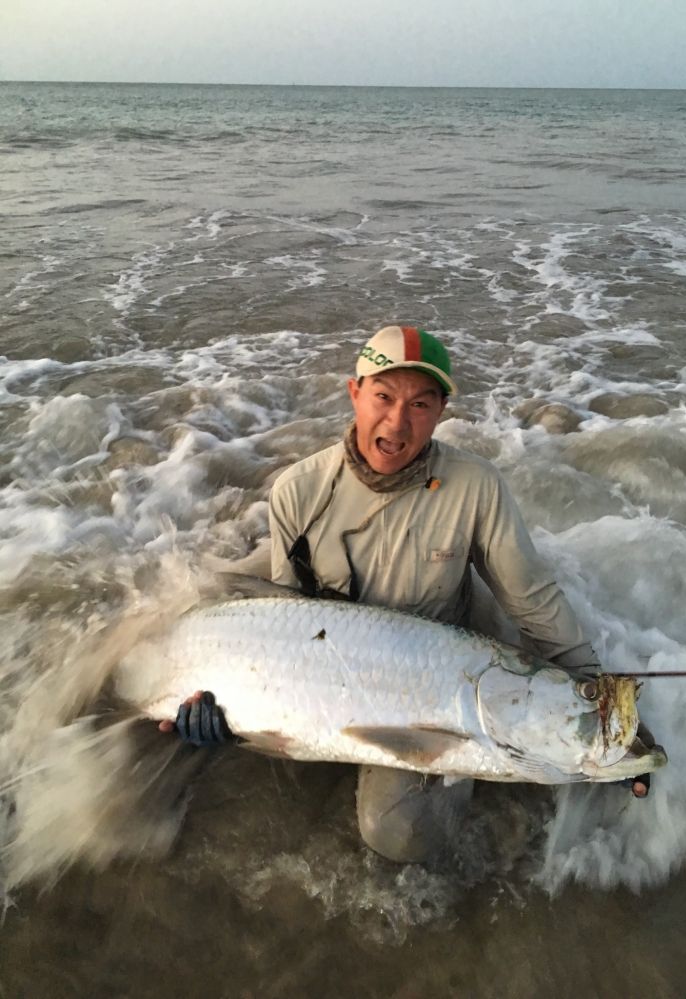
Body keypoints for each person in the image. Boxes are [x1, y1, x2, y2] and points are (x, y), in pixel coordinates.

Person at [163, 325, 649, 862]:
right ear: (355, 394)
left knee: (399, 831)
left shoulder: (476, 486)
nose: (397, 423)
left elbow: (533, 602)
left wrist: (602, 713)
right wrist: (217, 712)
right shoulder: (296, 491)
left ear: (441, 411)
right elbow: (284, 620)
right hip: (335, 658)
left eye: (420, 404)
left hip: (438, 671)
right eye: (383, 397)